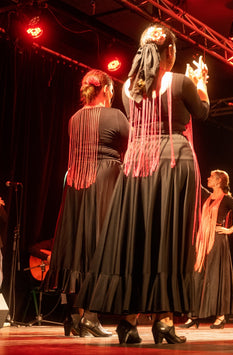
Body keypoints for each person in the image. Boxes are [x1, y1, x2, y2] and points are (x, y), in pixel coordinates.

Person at [75, 24, 210, 345]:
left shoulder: (126, 89)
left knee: (137, 240)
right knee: (169, 240)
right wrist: (202, 84)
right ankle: (164, 320)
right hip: (173, 160)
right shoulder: (181, 82)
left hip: (137, 163)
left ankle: (128, 321)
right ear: (171, 53)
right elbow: (202, 113)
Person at [43, 69, 129, 337]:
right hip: (104, 180)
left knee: (78, 245)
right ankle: (91, 314)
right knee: (101, 245)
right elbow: (133, 144)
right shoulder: (115, 115)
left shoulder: (74, 118)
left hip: (77, 183)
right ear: (105, 89)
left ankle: (74, 316)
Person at [180, 170, 233, 329]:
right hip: (202, 240)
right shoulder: (207, 196)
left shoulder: (227, 199)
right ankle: (194, 316)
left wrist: (229, 230)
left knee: (215, 276)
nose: (208, 178)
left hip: (217, 240)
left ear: (219, 181)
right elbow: (195, 182)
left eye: (211, 176)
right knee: (197, 276)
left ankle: (220, 316)